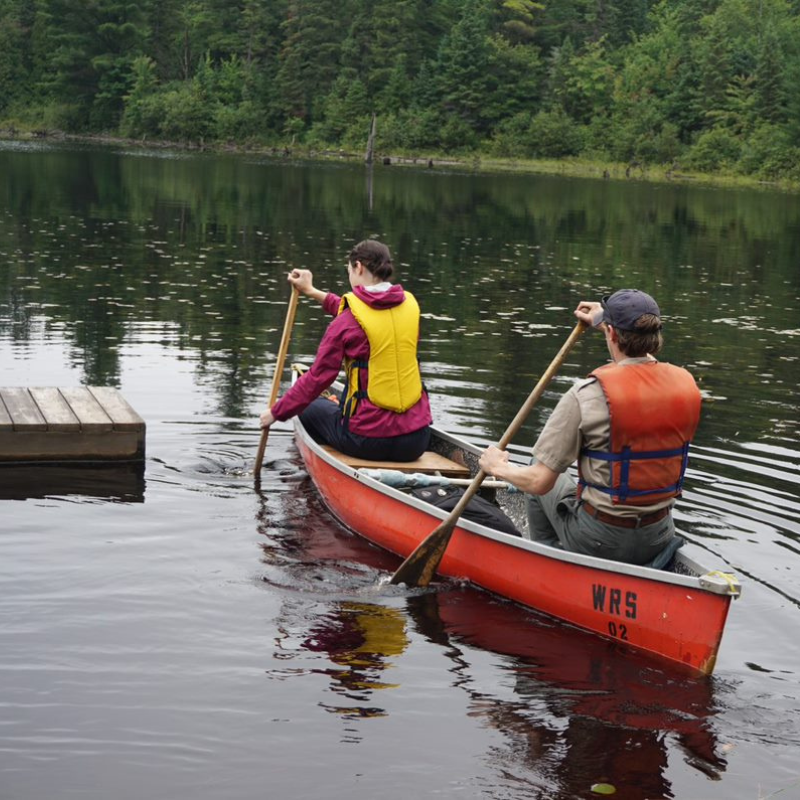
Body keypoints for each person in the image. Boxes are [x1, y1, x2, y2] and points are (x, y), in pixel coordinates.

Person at [479, 289, 701, 565]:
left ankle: (548, 559)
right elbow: (642, 363)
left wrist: (496, 466)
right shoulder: (686, 386)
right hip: (657, 537)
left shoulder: (586, 394)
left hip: (599, 541)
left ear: (611, 334)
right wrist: (605, 322)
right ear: (654, 335)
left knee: (540, 465)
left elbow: (538, 483)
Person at [259, 239, 432, 461]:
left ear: (358, 267)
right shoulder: (410, 306)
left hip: (367, 441)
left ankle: (319, 462)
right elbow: (365, 316)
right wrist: (311, 291)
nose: (349, 275)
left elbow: (317, 379)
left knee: (307, 407)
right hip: (416, 439)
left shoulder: (346, 323)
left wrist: (275, 413)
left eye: (348, 270)